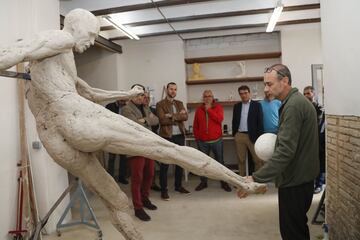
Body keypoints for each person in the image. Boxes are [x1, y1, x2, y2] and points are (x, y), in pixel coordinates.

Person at [0, 8, 265, 239]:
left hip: (54, 138)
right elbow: (12, 53)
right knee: (167, 149)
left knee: (118, 203)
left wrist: (126, 94)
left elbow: (90, 92)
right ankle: (241, 182)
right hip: (76, 117)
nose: (92, 41)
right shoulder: (61, 37)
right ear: (75, 26)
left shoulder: (54, 63)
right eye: (91, 34)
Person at [238, 64, 320, 240]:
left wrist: (256, 177)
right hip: (299, 178)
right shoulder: (293, 102)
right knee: (297, 227)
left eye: (269, 84)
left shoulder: (293, 106)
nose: (266, 89)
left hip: (295, 181)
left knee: (292, 232)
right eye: (265, 84)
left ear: (284, 81)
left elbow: (284, 152)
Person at [122, 85, 159, 221]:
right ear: (132, 95)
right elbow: (134, 125)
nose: (140, 97)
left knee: (150, 174)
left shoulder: (146, 107)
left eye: (142, 95)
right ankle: (138, 207)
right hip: (135, 147)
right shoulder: (126, 109)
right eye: (137, 94)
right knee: (137, 178)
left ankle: (145, 199)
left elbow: (156, 121)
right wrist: (145, 120)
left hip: (148, 146)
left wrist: (144, 120)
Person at [156, 82, 190, 200]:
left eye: (175, 89)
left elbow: (185, 117)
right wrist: (177, 116)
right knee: (165, 164)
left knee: (180, 162)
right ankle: (164, 190)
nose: (173, 91)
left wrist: (172, 116)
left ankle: (178, 186)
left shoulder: (179, 103)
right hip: (167, 136)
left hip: (179, 136)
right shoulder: (160, 104)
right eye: (171, 89)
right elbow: (162, 120)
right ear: (167, 90)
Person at [193, 90, 231, 192]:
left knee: (220, 162)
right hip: (202, 142)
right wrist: (197, 139)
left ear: (212, 97)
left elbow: (219, 119)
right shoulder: (199, 110)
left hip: (216, 141)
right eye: (205, 96)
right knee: (203, 163)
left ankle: (224, 182)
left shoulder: (218, 107)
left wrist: (209, 110)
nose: (207, 98)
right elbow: (195, 126)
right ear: (203, 98)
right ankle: (203, 182)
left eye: (209, 96)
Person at [232, 85, 264, 176]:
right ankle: (241, 180)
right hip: (240, 135)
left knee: (257, 160)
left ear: (249, 93)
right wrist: (235, 134)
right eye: (241, 94)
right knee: (241, 159)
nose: (243, 95)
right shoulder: (237, 106)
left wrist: (259, 137)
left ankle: (257, 180)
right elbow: (234, 121)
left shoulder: (257, 105)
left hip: (253, 136)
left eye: (245, 93)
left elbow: (260, 122)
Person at [303, 86, 326, 194]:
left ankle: (319, 185)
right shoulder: (302, 107)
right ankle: (310, 184)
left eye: (308, 93)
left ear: (313, 94)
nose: (307, 96)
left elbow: (318, 124)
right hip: (306, 140)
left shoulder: (319, 107)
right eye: (305, 94)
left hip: (317, 140)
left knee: (319, 163)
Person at [105, 100, 129, 184]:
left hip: (123, 136)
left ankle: (122, 177)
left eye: (125, 99)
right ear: (118, 98)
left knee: (123, 157)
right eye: (122, 99)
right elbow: (106, 119)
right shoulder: (110, 106)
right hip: (112, 135)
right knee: (111, 158)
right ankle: (110, 179)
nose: (124, 101)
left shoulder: (127, 107)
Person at [143, 92, 161, 192]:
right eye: (145, 97)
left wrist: (146, 120)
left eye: (148, 98)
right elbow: (138, 122)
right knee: (142, 166)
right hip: (141, 140)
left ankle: (152, 183)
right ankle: (143, 186)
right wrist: (149, 119)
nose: (146, 99)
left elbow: (156, 123)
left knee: (152, 165)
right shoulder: (139, 109)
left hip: (153, 139)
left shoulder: (153, 110)